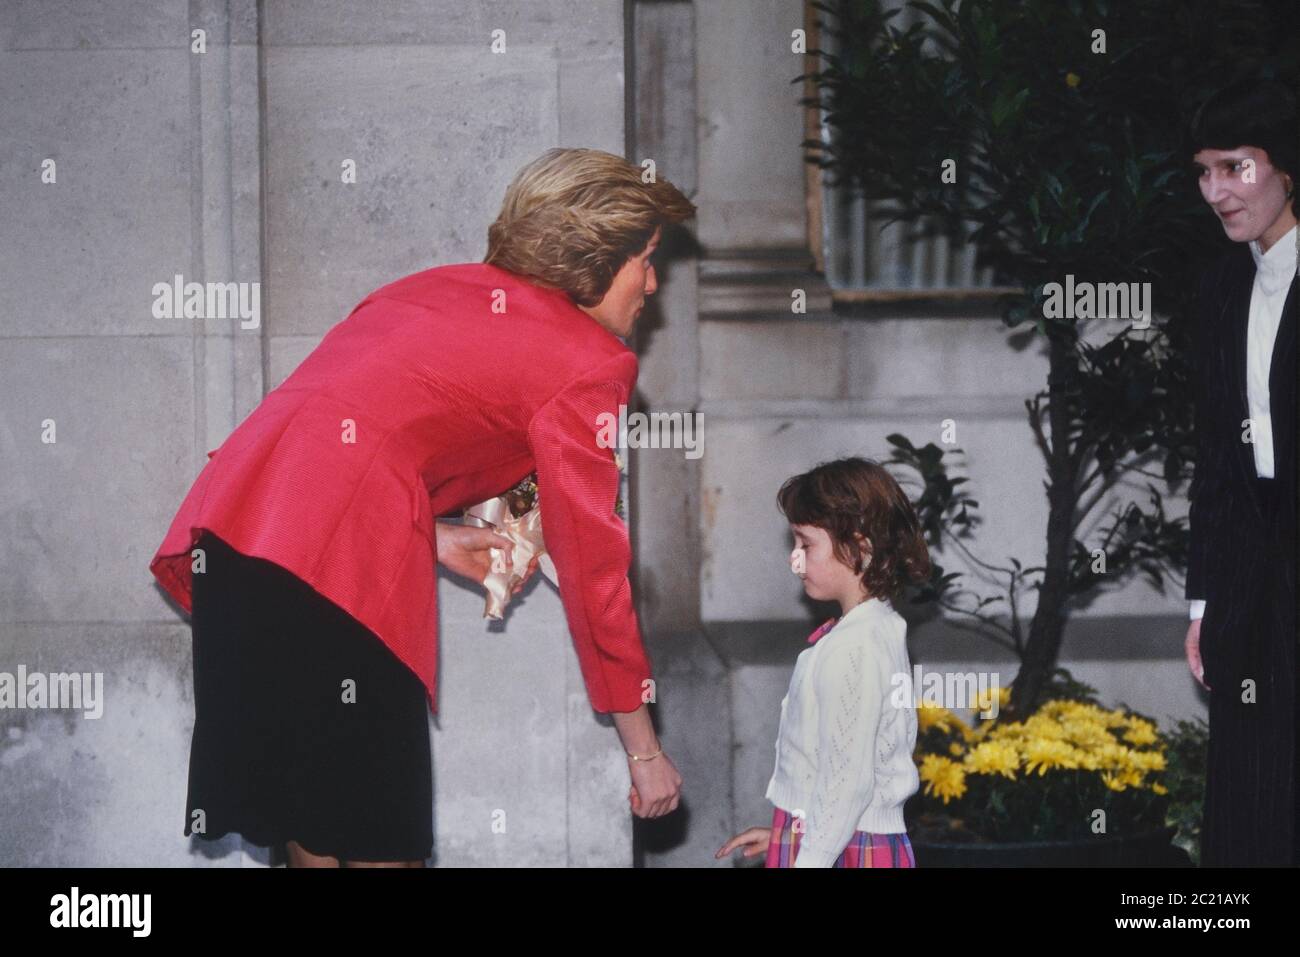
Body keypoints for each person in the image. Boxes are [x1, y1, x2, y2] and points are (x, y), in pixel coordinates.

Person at [151, 147, 695, 867]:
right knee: (384, 844)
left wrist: (426, 537)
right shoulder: (589, 363)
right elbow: (596, 574)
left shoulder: (431, 289)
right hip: (329, 576)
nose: (652, 284)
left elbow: (342, 434)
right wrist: (645, 751)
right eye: (646, 259)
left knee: (316, 838)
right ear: (593, 257)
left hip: (240, 543)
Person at [1182, 77, 1297, 867]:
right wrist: (1203, 599)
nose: (1217, 191)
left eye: (1237, 166)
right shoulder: (1222, 288)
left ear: (1287, 168)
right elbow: (1217, 460)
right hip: (1251, 583)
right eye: (1204, 172)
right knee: (1252, 806)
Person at [716, 457, 931, 867]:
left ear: (859, 545)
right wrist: (790, 834)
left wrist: (809, 858)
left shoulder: (855, 646)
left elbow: (847, 784)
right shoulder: (876, 627)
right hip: (842, 839)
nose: (794, 559)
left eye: (805, 544)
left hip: (845, 848)